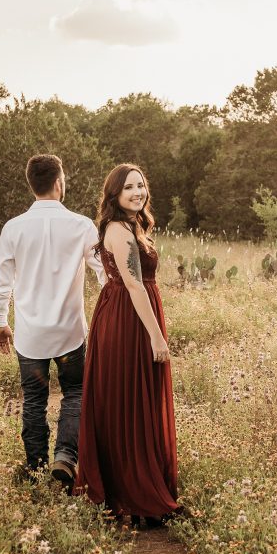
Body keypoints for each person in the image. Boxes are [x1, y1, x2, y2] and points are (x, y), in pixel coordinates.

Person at [0, 153, 106, 491]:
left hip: (30, 336)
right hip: (71, 332)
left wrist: (1, 322)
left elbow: (2, 282)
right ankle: (66, 458)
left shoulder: (13, 228)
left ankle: (35, 466)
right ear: (59, 183)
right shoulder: (82, 225)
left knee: (34, 399)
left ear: (33, 185)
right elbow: (105, 273)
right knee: (75, 392)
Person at [74, 163, 181, 527]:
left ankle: (143, 480)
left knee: (139, 399)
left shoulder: (135, 225)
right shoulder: (118, 230)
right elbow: (134, 285)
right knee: (127, 399)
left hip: (136, 311)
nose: (138, 192)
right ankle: (131, 492)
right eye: (129, 188)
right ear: (115, 195)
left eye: (141, 186)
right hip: (127, 319)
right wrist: (155, 335)